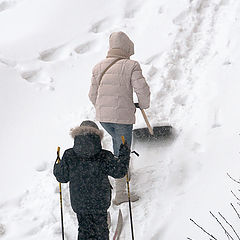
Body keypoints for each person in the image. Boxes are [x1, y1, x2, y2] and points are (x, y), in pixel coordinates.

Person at [88, 31, 150, 205]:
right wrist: (143, 105)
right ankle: (121, 193)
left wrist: (103, 109)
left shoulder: (98, 66)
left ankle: (123, 171)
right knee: (121, 149)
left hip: (104, 118)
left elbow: (92, 94)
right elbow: (142, 89)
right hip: (122, 118)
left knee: (118, 143)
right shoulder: (131, 65)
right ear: (126, 47)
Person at [53, 120, 130, 240]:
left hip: (80, 203)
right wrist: (124, 155)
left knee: (83, 229)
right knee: (101, 229)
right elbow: (120, 172)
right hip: (100, 202)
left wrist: (57, 165)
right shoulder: (104, 155)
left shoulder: (69, 155)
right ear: (97, 136)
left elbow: (62, 177)